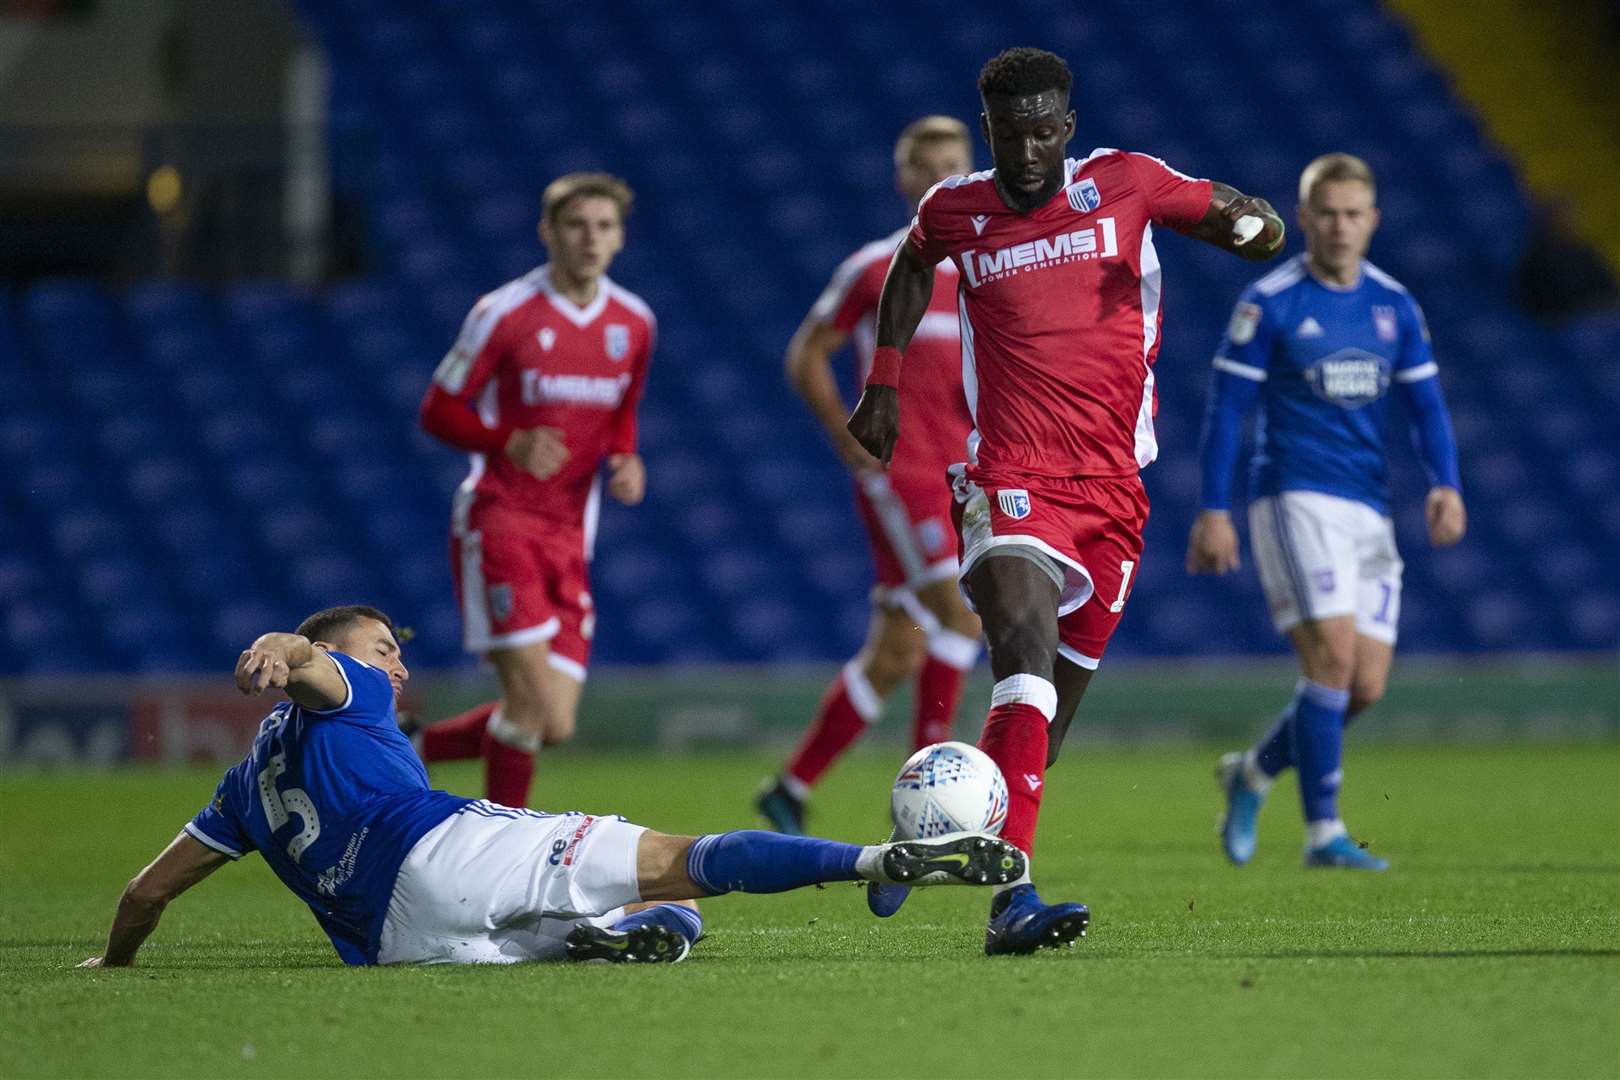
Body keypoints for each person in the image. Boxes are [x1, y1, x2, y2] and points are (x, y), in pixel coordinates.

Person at [846, 47, 1287, 954]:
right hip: (1010, 476)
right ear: (990, 131)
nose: (1030, 149)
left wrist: (1256, 229)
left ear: (1068, 126)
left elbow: (1250, 222)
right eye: (1012, 133)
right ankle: (1013, 901)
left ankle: (920, 844)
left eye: (1045, 130)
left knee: (1046, 723)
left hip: (1115, 491)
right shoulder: (955, 209)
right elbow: (910, 265)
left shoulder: (1125, 184)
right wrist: (884, 382)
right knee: (1024, 663)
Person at [78, 606, 1025, 969]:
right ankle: (879, 859)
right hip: (439, 852)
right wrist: (283, 650)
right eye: (383, 650)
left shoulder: (241, 789)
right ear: (342, 654)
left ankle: (592, 942)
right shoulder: (348, 687)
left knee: (656, 926)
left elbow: (144, 896)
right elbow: (306, 658)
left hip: (398, 944)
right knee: (682, 862)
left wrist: (110, 968)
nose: (396, 668)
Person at [1186, 153, 1466, 870]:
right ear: (1305, 218)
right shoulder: (1271, 302)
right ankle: (1324, 835)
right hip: (1294, 495)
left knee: (1362, 686)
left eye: (1353, 214)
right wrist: (1213, 509)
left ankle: (1251, 771)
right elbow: (1227, 413)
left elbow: (1427, 404)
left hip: (1368, 506)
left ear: (1372, 220)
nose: (1340, 227)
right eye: (1327, 214)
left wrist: (1446, 482)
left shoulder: (1394, 304)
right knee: (1332, 660)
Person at [755, 117, 983, 834]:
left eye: (955, 163)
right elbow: (806, 354)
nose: (942, 176)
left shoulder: (983, 272)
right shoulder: (877, 268)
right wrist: (846, 434)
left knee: (897, 650)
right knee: (963, 615)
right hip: (903, 473)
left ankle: (789, 788)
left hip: (964, 476)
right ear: (905, 180)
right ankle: (930, 803)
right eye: (927, 166)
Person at [415, 173, 655, 809]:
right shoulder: (504, 313)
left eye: (604, 227)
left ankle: (408, 750)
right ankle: (508, 844)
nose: (590, 239)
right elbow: (438, 409)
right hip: (502, 521)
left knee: (555, 723)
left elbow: (622, 408)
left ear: (620, 237)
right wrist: (507, 440)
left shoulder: (633, 323)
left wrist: (626, 456)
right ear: (548, 231)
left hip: (570, 533)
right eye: (577, 225)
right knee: (527, 705)